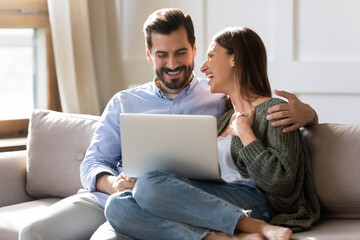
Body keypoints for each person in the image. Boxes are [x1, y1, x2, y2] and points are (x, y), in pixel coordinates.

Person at [19, 8, 318, 240]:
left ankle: (242, 226)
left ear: (194, 49)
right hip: (118, 195)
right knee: (39, 229)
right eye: (162, 55)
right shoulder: (125, 102)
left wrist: (308, 114)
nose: (173, 64)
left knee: (141, 194)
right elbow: (94, 161)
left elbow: (261, 105)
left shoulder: (217, 99)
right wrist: (114, 184)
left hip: (180, 196)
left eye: (181, 53)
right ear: (150, 55)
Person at [105, 26, 320, 240]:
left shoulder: (275, 110)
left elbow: (281, 182)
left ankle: (254, 225)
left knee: (149, 185)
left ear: (234, 58)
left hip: (254, 201)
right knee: (117, 205)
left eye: (210, 56)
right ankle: (214, 238)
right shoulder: (224, 116)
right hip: (212, 198)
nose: (204, 66)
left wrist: (246, 134)